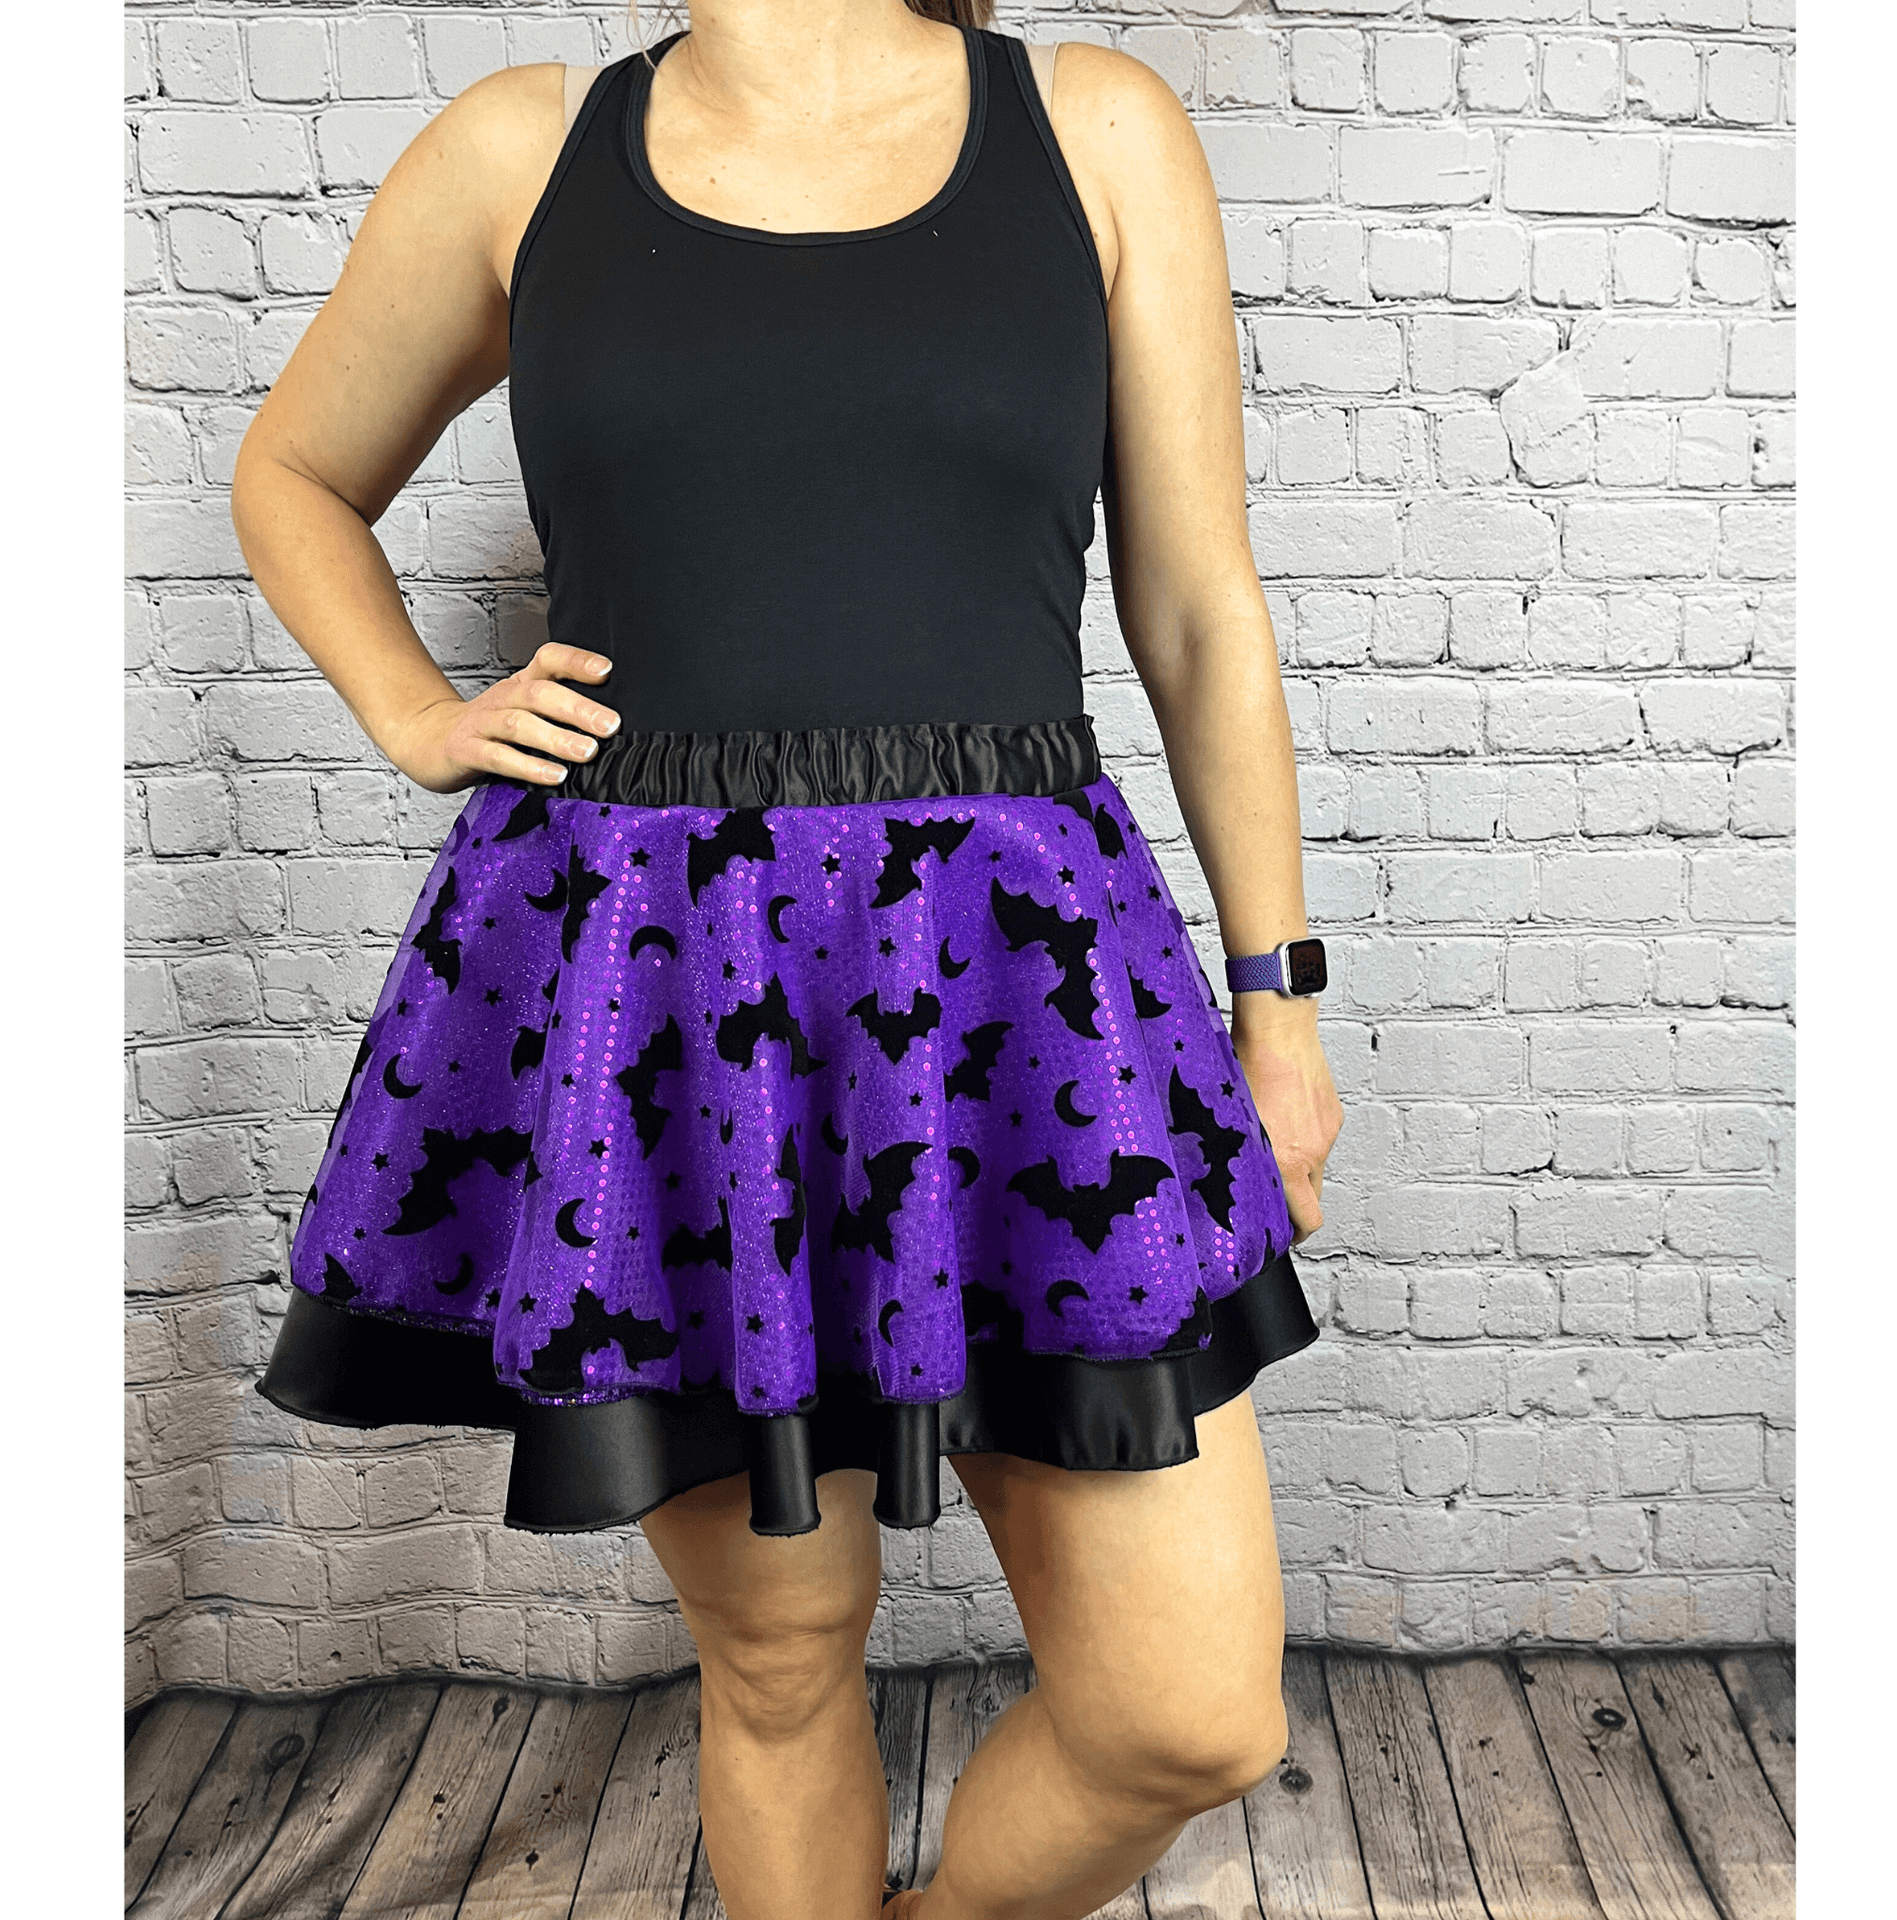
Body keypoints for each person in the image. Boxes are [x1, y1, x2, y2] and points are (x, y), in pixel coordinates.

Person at [231, 2, 1344, 1913]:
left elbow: (1197, 608)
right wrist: (418, 709)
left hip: (1020, 994)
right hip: (663, 998)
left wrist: (1280, 1002)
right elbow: (295, 472)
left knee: (1186, 1712)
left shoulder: (1093, 131)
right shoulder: (522, 149)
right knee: (776, 1653)